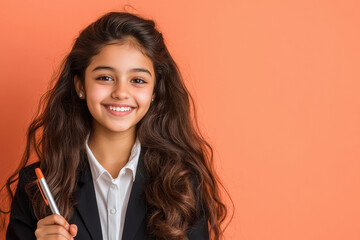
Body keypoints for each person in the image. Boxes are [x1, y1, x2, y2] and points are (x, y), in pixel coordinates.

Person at [1, 12, 228, 240]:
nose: (120, 92)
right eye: (105, 78)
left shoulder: (182, 183)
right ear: (80, 85)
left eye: (138, 80)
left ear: (154, 92)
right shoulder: (38, 185)